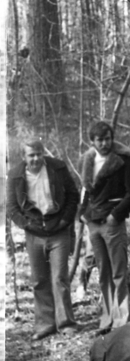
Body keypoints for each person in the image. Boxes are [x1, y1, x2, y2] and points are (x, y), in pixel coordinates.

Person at [6, 138, 80, 339]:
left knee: (59, 278)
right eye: (31, 155)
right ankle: (45, 325)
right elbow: (12, 208)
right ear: (24, 157)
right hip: (34, 232)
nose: (36, 159)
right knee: (39, 279)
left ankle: (66, 323)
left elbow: (73, 195)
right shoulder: (15, 176)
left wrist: (65, 220)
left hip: (58, 230)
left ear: (43, 154)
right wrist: (27, 225)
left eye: (39, 154)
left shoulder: (57, 168)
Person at [79, 121, 130, 334]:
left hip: (112, 223)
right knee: (103, 272)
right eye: (99, 140)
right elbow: (86, 189)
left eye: (107, 139)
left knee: (119, 271)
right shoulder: (88, 160)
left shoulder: (123, 160)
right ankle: (107, 319)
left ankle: (122, 319)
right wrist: (82, 214)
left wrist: (116, 215)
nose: (104, 143)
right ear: (92, 141)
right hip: (93, 223)